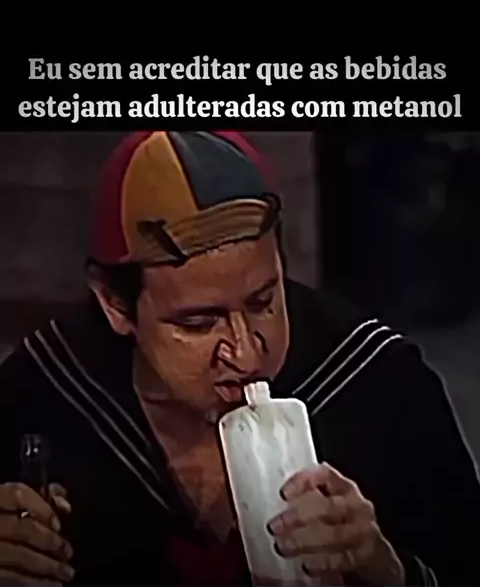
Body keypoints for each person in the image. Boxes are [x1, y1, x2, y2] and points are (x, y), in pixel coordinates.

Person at [0, 131, 479, 586]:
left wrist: (385, 567)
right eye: (198, 322)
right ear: (115, 304)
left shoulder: (377, 383)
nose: (247, 353)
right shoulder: (45, 391)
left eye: (263, 301)